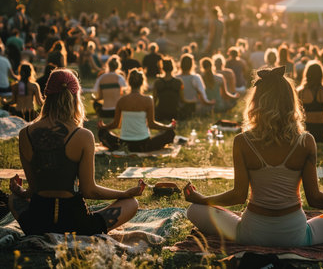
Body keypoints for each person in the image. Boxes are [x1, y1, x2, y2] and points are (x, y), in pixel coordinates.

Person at [184, 66, 323, 247]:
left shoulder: (242, 141)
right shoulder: (305, 141)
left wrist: (201, 199)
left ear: (256, 101)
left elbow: (238, 196)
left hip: (250, 233)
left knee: (194, 210)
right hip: (296, 236)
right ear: (290, 101)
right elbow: (315, 199)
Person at [8, 69, 145, 236]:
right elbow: (89, 191)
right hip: (76, 223)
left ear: (47, 97)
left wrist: (20, 192)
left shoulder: (25, 133)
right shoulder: (83, 136)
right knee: (131, 203)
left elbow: (34, 189)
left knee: (13, 199)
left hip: (38, 221)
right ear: (75, 98)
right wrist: (124, 193)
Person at [98, 68, 175, 152]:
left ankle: (118, 147)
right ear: (142, 83)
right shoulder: (148, 100)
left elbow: (115, 124)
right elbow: (151, 124)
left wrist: (104, 127)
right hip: (144, 144)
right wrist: (168, 127)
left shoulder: (121, 100)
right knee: (170, 133)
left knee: (102, 133)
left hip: (124, 144)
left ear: (129, 82)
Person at [176, 54, 214, 119]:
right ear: (192, 65)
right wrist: (210, 103)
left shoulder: (176, 78)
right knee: (211, 106)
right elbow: (203, 97)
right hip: (193, 107)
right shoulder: (195, 78)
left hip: (178, 107)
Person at [153, 58, 190, 122]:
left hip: (161, 113)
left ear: (162, 68)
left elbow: (154, 101)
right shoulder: (179, 82)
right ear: (173, 68)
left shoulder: (157, 82)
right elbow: (182, 100)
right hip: (174, 113)